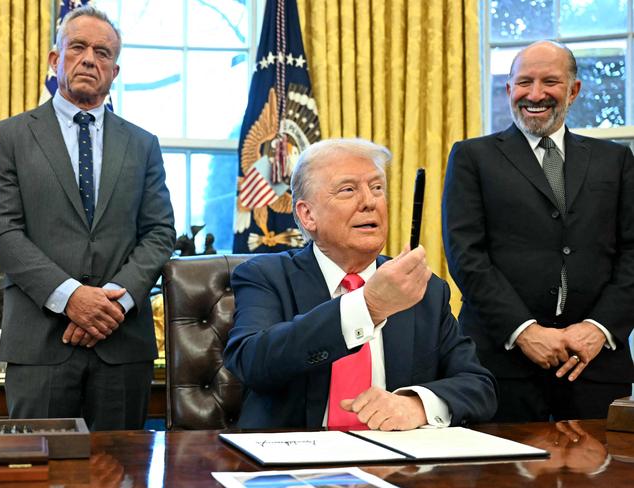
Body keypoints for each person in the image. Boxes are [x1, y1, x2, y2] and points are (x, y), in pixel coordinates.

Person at [0, 6, 176, 430]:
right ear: (56, 60)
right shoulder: (8, 136)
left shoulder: (143, 144)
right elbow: (2, 231)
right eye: (79, 47)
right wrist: (71, 297)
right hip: (40, 344)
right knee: (38, 473)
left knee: (122, 472)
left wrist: (115, 300)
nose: (90, 59)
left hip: (122, 343)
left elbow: (160, 232)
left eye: (103, 52)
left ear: (115, 70)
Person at [224, 138, 497, 430]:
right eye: (348, 190)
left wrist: (416, 405)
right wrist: (367, 307)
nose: (370, 202)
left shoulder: (423, 290)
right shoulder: (266, 275)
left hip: (395, 464)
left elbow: (479, 387)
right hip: (294, 463)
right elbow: (252, 361)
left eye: (377, 188)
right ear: (308, 215)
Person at [442, 40, 634, 423]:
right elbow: (467, 256)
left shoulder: (616, 160)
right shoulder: (471, 158)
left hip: (595, 367)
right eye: (524, 82)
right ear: (509, 89)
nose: (535, 94)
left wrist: (598, 330)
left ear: (574, 90)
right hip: (501, 364)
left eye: (550, 81)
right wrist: (525, 331)